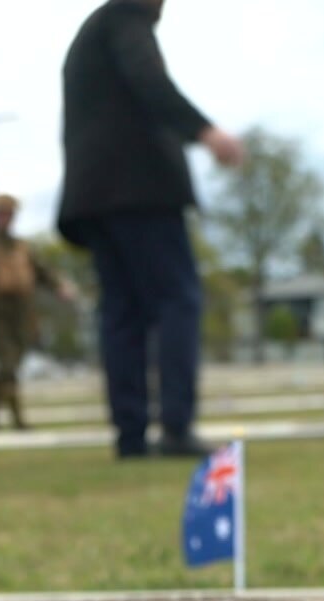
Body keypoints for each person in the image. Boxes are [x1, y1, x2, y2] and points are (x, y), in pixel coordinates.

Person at [57, 0, 245, 459]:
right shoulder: (125, 20)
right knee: (177, 299)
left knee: (122, 313)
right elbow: (148, 81)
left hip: (94, 195)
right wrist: (205, 131)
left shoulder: (92, 31)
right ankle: (176, 426)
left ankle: (131, 435)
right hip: (140, 190)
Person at [0, 194, 73, 430]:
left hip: (21, 313)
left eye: (9, 214)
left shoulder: (22, 246)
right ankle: (15, 419)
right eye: (1, 213)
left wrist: (59, 287)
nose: (5, 219)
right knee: (7, 365)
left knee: (11, 368)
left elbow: (41, 272)